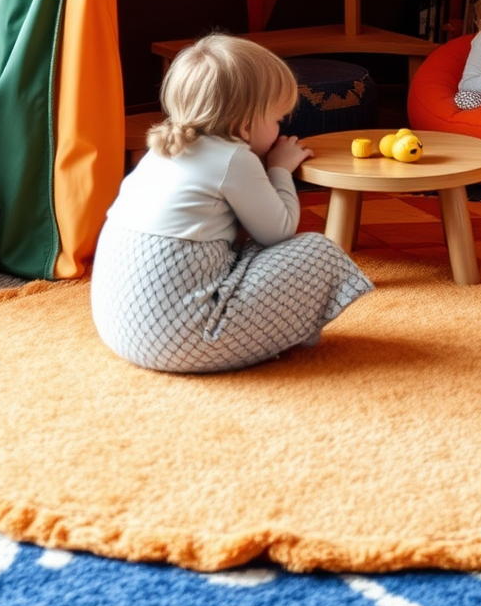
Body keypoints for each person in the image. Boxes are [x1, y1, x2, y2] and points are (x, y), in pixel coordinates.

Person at [91, 33, 373, 373]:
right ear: (244, 125)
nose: (279, 128)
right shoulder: (233, 157)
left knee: (247, 251)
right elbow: (279, 233)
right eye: (276, 120)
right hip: (182, 342)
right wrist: (280, 168)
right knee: (318, 251)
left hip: (122, 331)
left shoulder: (161, 151)